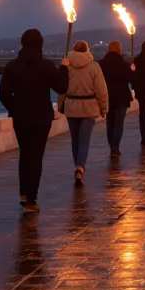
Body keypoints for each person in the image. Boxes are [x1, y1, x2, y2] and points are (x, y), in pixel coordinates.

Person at [0, 29, 69, 213]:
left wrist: (13, 107)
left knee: (25, 154)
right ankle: (31, 199)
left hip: (20, 117)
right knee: (36, 156)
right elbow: (62, 87)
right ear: (40, 44)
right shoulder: (46, 66)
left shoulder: (12, 66)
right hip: (41, 117)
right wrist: (64, 68)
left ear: (22, 43)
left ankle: (23, 192)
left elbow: (3, 93)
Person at [58, 40, 108, 186]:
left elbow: (62, 88)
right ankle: (80, 167)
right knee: (84, 140)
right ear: (87, 50)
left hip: (72, 106)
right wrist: (104, 108)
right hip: (88, 107)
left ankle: (77, 166)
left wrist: (61, 106)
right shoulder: (94, 66)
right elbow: (101, 90)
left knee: (75, 140)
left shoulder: (67, 66)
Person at [101, 41, 134, 156]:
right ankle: (115, 146)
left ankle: (111, 144)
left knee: (110, 121)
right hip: (121, 97)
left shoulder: (101, 64)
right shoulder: (125, 64)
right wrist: (133, 70)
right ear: (120, 50)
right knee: (119, 123)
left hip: (107, 96)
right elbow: (131, 79)